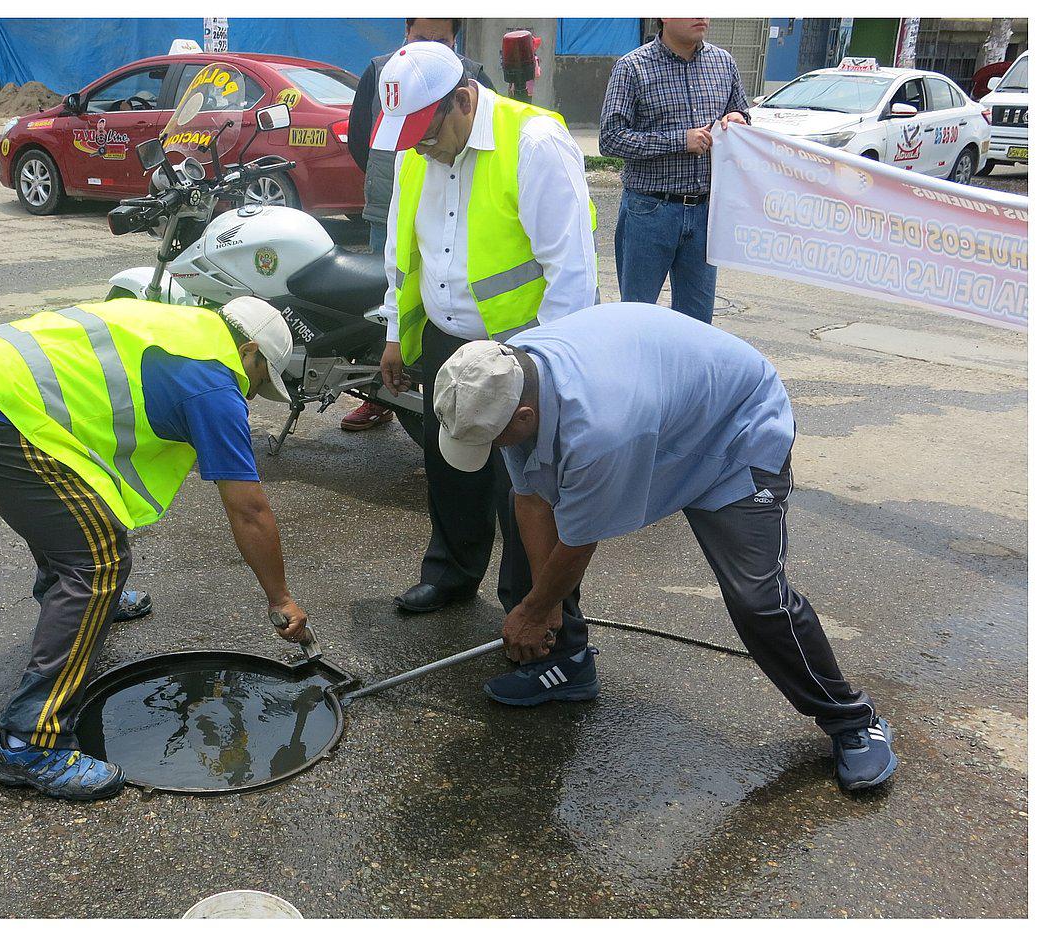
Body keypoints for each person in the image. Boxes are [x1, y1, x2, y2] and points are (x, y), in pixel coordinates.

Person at [431, 303, 898, 792]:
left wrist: (535, 609)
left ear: (523, 415)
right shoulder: (509, 373)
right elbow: (530, 499)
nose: (494, 448)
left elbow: (577, 540)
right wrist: (539, 609)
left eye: (493, 439)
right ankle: (567, 663)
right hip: (667, 417)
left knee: (756, 599)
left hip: (734, 430)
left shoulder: (600, 430)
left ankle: (852, 720)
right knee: (533, 553)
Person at [0, 296, 310, 801]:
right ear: (250, 350)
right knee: (99, 562)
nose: (252, 396)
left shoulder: (182, 325)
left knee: (77, 525)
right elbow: (249, 510)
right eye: (259, 381)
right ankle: (28, 742)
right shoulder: (215, 381)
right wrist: (280, 597)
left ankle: (78, 606)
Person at [370, 41, 597, 621]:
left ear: (464, 100)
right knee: (450, 466)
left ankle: (530, 609)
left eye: (427, 130)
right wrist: (397, 329)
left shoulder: (534, 143)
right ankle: (451, 572)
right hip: (447, 340)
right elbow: (402, 247)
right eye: (409, 134)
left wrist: (551, 371)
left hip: (523, 348)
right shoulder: (414, 148)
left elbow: (570, 271)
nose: (419, 144)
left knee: (523, 490)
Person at [341, 18, 493, 433]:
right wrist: (391, 182)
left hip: (451, 217)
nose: (431, 47)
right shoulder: (381, 72)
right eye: (421, 38)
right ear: (406, 32)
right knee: (389, 297)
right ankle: (383, 394)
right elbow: (361, 137)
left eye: (441, 39)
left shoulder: (471, 77)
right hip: (389, 206)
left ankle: (461, 400)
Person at [599, 17, 749, 324]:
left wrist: (738, 120)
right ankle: (637, 372)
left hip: (705, 212)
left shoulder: (723, 63)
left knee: (696, 323)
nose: (703, 16)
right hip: (650, 211)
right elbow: (611, 138)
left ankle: (687, 373)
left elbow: (743, 113)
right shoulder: (633, 67)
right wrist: (680, 140)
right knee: (636, 317)